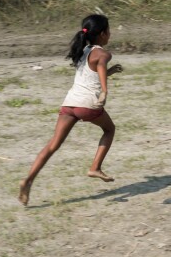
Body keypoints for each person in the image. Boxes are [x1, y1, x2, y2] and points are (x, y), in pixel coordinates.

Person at [19, 14, 123, 206]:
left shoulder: (82, 50)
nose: (110, 34)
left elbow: (91, 74)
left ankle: (28, 180)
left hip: (70, 104)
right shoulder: (104, 54)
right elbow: (99, 71)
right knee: (110, 130)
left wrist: (110, 72)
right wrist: (104, 92)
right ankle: (95, 167)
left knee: (52, 145)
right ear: (102, 34)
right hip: (88, 105)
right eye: (109, 30)